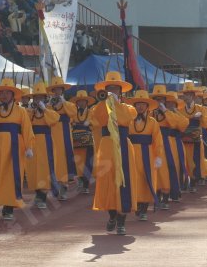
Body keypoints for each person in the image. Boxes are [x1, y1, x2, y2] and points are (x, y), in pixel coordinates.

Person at [91, 71, 138, 234]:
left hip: (123, 145)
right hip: (107, 146)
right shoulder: (100, 107)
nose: (112, 91)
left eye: (115, 89)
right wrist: (105, 101)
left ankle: (122, 221)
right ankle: (112, 215)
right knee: (108, 181)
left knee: (124, 181)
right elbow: (97, 118)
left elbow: (126, 118)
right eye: (109, 88)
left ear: (121, 91)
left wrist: (116, 102)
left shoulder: (128, 108)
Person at [0, 78, 34, 221]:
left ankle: (8, 207)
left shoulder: (21, 111)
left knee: (11, 176)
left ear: (13, 95)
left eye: (7, 93)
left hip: (15, 146)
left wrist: (29, 147)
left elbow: (27, 129)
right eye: (1, 93)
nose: (4, 95)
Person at [126, 90, 164, 221]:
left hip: (148, 154)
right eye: (138, 104)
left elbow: (157, 140)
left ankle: (144, 209)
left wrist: (158, 156)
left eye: (143, 104)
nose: (140, 107)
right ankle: (135, 205)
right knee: (133, 180)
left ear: (147, 107)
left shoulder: (153, 122)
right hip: (131, 154)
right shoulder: (128, 121)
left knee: (147, 180)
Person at [25, 80, 60, 210]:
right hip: (33, 142)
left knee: (45, 168)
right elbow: (25, 123)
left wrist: (44, 109)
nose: (38, 99)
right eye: (36, 97)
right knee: (33, 169)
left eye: (41, 97)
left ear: (45, 98)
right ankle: (38, 194)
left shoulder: (49, 110)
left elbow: (54, 120)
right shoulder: (29, 111)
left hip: (46, 143)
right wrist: (32, 111)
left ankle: (42, 197)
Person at [70, 90, 96, 194]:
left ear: (86, 102)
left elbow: (95, 122)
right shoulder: (73, 112)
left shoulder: (91, 112)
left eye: (83, 101)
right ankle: (80, 181)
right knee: (78, 161)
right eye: (79, 101)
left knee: (87, 160)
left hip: (87, 138)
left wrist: (90, 122)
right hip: (76, 138)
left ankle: (86, 183)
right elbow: (70, 122)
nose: (81, 103)